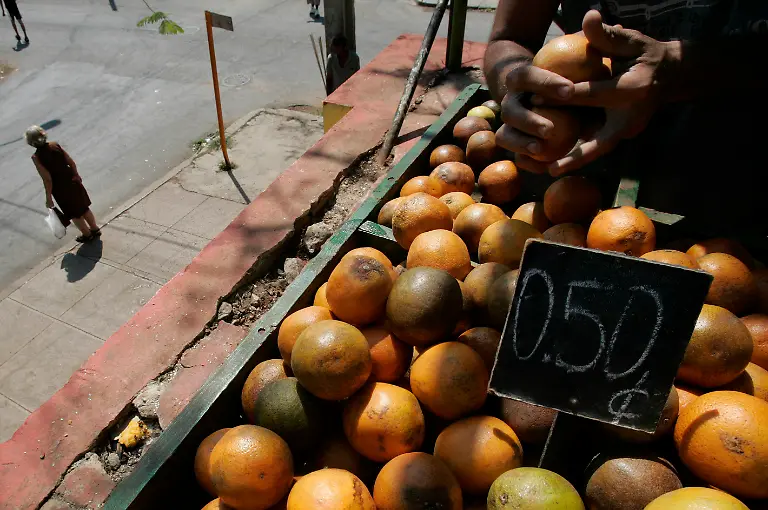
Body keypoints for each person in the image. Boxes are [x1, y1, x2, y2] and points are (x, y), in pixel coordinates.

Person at [484, 1, 768, 232]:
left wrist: (680, 70)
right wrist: (521, 86)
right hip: (593, 173)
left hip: (745, 163)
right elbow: (510, 37)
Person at [26, 126, 101, 243]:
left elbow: (47, 179)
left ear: (30, 142)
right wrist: (76, 174)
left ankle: (87, 234)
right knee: (84, 207)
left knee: (74, 213)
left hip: (60, 188)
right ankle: (95, 229)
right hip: (72, 180)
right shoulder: (55, 145)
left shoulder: (36, 157)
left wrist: (48, 198)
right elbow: (70, 161)